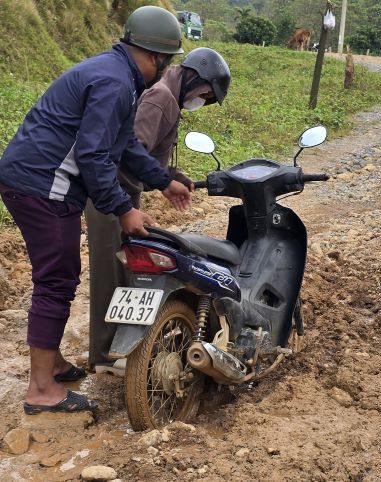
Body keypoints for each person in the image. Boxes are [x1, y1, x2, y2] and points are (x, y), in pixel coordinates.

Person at [0, 6, 191, 415]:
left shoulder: (117, 75)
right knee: (56, 280)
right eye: (165, 62)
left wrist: (163, 180)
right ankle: (41, 389)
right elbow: (93, 155)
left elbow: (125, 145)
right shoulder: (116, 83)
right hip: (43, 185)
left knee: (60, 275)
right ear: (154, 57)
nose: (163, 70)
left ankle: (51, 364)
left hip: (34, 179)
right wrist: (124, 209)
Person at [86, 48, 231, 372]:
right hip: (111, 195)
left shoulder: (167, 97)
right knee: (110, 274)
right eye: (206, 94)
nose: (203, 101)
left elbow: (144, 156)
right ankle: (104, 356)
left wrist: (170, 177)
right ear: (196, 78)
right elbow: (128, 151)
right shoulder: (160, 98)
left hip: (123, 195)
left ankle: (120, 349)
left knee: (125, 272)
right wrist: (131, 201)